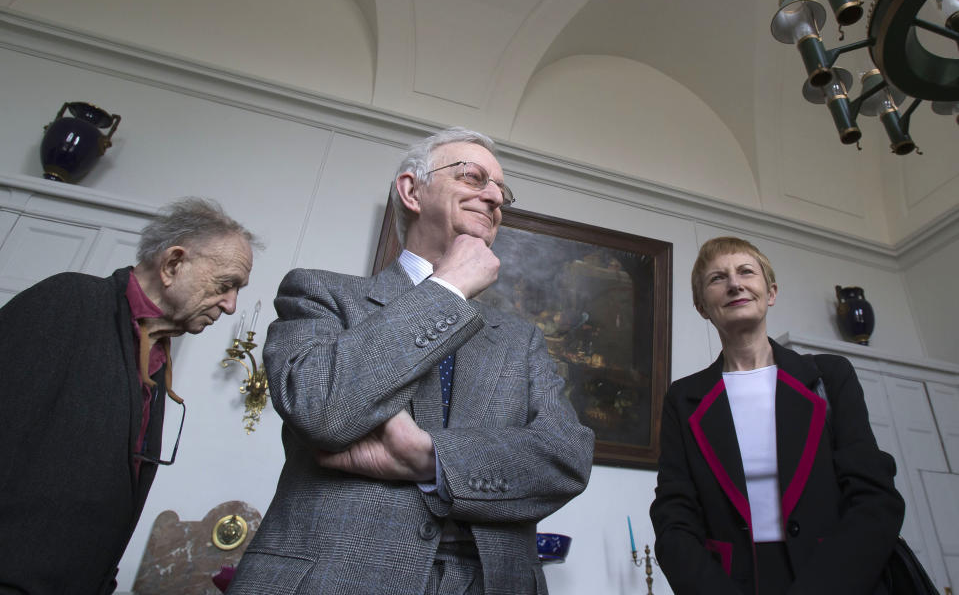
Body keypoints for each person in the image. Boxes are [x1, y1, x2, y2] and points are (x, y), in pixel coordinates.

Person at [228, 127, 594, 595]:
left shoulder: (520, 340)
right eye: (474, 177)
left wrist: (431, 461)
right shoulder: (321, 295)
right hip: (335, 577)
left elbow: (566, 459)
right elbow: (320, 407)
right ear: (411, 190)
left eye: (502, 191)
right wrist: (448, 289)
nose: (494, 197)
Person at [0, 197, 257, 594]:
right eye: (226, 286)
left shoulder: (155, 355)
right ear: (173, 264)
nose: (230, 306)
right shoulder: (70, 301)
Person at [650, 236, 904, 595]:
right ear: (702, 306)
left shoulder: (830, 376)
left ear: (770, 292)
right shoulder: (683, 398)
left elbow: (875, 498)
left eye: (745, 272)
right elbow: (674, 518)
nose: (735, 283)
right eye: (717, 278)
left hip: (839, 579)